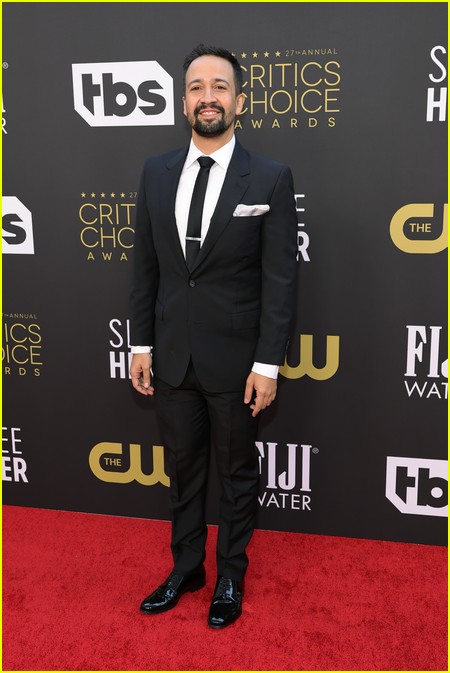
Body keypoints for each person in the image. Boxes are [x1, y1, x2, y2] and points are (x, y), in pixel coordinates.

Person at [129, 44, 298, 629]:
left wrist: (269, 365)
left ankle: (230, 575)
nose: (208, 97)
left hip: (236, 364)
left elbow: (281, 282)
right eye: (197, 87)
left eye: (220, 87)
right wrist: (141, 344)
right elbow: (144, 268)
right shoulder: (155, 172)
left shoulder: (271, 178)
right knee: (182, 470)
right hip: (172, 357)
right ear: (184, 101)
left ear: (240, 102)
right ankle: (187, 568)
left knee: (236, 476)